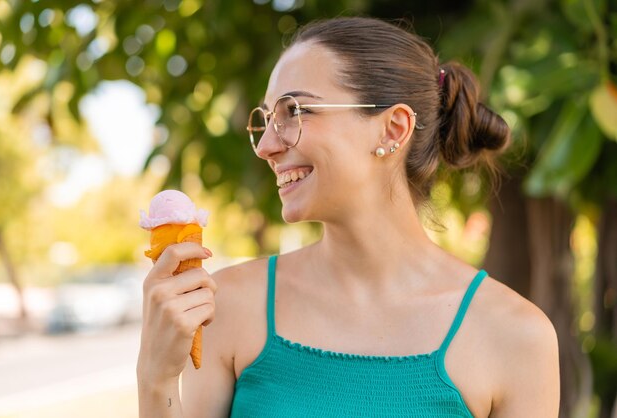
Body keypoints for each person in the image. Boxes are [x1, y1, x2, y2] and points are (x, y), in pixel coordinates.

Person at [137, 16, 560, 417]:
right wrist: (156, 380)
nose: (266, 146)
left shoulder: (516, 337)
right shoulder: (225, 306)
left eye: (294, 112)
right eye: (265, 120)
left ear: (393, 129)